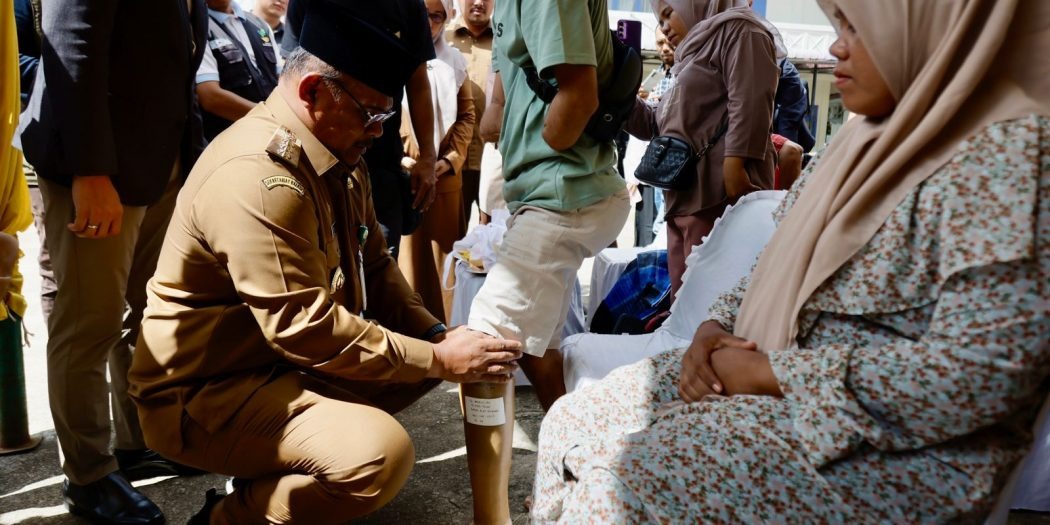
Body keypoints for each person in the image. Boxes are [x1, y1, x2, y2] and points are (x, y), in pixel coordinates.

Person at [530, 0, 1050, 521]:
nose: (835, 46)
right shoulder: (858, 144)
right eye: (838, 25)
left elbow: (981, 376)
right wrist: (714, 325)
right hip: (780, 387)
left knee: (616, 488)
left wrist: (773, 374)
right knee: (570, 421)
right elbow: (773, 264)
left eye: (860, 29)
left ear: (940, 31)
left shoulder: (1010, 156)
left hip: (892, 449)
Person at [127, 3, 522, 523]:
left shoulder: (336, 150)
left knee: (428, 352)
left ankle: (280, 462)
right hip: (205, 396)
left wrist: (435, 335)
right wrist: (440, 359)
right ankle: (229, 515)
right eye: (372, 113)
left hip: (270, 367)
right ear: (314, 91)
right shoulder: (261, 177)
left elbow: (377, 268)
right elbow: (304, 328)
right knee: (380, 455)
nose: (380, 130)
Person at [16, 1, 208, 522]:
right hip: (102, 165)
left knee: (148, 312)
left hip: (155, 161)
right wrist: (90, 169)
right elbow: (70, 47)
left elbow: (175, 61)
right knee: (88, 324)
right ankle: (88, 476)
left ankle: (135, 441)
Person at [462, 0, 631, 521]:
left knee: (483, 342)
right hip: (554, 190)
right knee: (536, 344)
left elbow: (577, 96)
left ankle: (490, 518)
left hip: (562, 191)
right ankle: (571, 469)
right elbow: (501, 102)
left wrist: (545, 142)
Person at [625, 0, 777, 298]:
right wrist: (615, 93)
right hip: (683, 197)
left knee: (712, 302)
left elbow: (750, 101)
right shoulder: (690, 55)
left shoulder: (740, 30)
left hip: (718, 196)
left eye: (669, 14)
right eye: (660, 19)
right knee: (685, 304)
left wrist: (735, 166)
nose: (664, 27)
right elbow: (656, 125)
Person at [284, 0, 439, 259]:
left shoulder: (408, 5)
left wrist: (428, 157)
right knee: (317, 257)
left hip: (380, 164)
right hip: (317, 160)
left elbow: (418, 82)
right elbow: (292, 73)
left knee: (378, 262)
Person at [399, 0, 476, 323]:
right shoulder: (394, 52)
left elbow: (467, 117)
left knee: (445, 262)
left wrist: (448, 160)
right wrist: (404, 159)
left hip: (446, 178)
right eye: (422, 14)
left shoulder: (454, 60)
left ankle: (447, 335)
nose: (428, 23)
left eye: (436, 16)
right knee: (407, 264)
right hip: (404, 174)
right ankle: (412, 336)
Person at [197, 0, 281, 141]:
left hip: (271, 136)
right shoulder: (198, 26)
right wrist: (270, 117)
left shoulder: (260, 25)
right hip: (229, 140)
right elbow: (210, 96)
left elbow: (282, 81)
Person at [445, 0, 493, 223]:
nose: (478, 3)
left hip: (493, 162)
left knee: (493, 245)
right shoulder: (440, 39)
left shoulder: (508, 42)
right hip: (450, 163)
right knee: (449, 243)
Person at [637, 28, 674, 105]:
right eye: (660, 43)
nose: (665, 49)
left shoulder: (688, 74)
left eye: (669, 41)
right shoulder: (656, 75)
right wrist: (643, 100)